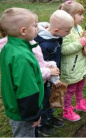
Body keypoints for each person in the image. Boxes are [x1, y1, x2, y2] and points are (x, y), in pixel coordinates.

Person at [0, 8, 44, 137]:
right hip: (24, 112)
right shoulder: (21, 57)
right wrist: (33, 115)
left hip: (16, 107)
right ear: (23, 31)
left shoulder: (9, 47)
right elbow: (26, 90)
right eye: (35, 25)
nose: (38, 28)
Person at [34, 9, 74, 136]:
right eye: (67, 31)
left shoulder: (55, 36)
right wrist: (54, 79)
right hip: (45, 78)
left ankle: (50, 117)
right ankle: (42, 123)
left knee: (51, 97)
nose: (68, 33)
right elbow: (45, 64)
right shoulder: (43, 44)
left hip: (52, 76)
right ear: (57, 31)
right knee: (44, 100)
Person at [59, 0, 86, 122]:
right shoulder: (66, 32)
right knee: (70, 90)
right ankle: (67, 110)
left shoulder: (78, 27)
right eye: (79, 14)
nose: (83, 17)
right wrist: (81, 42)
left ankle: (80, 103)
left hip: (80, 65)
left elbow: (82, 40)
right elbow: (64, 49)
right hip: (71, 67)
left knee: (80, 86)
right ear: (69, 16)